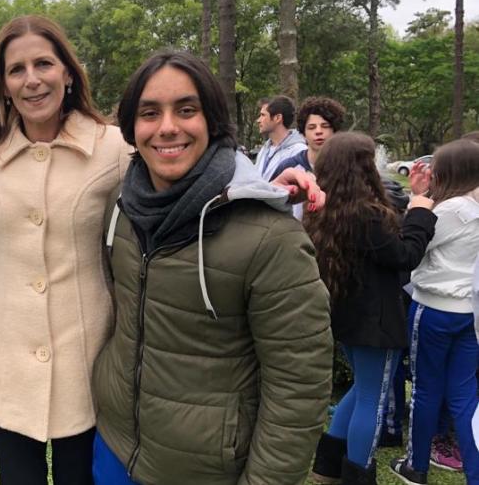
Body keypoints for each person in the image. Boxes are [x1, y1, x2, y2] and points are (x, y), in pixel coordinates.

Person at [0, 15, 324, 485]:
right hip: (7, 366)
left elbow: (188, 164)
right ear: (2, 85)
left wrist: (264, 183)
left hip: (87, 365)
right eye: (16, 69)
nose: (32, 79)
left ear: (68, 72)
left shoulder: (114, 148)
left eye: (43, 64)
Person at [90, 50, 334, 485]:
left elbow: (298, 390)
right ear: (131, 127)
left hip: (206, 468)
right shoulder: (119, 208)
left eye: (187, 110)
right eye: (150, 112)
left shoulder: (272, 239)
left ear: (213, 120)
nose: (168, 126)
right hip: (114, 447)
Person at [303, 132, 436, 484]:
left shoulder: (327, 208)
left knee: (363, 390)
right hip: (374, 323)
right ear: (361, 167)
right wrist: (420, 212)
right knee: (372, 400)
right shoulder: (366, 215)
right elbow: (404, 255)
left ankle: (327, 467)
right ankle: (357, 476)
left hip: (348, 318)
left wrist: (415, 197)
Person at [391, 139, 479, 485]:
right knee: (464, 396)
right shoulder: (473, 206)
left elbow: (413, 245)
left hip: (433, 309)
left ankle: (416, 466)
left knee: (426, 391)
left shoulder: (450, 210)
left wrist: (417, 203)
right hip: (468, 313)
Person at [254, 95, 306, 180]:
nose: (258, 120)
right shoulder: (264, 150)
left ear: (278, 118)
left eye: (263, 115)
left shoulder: (299, 151)